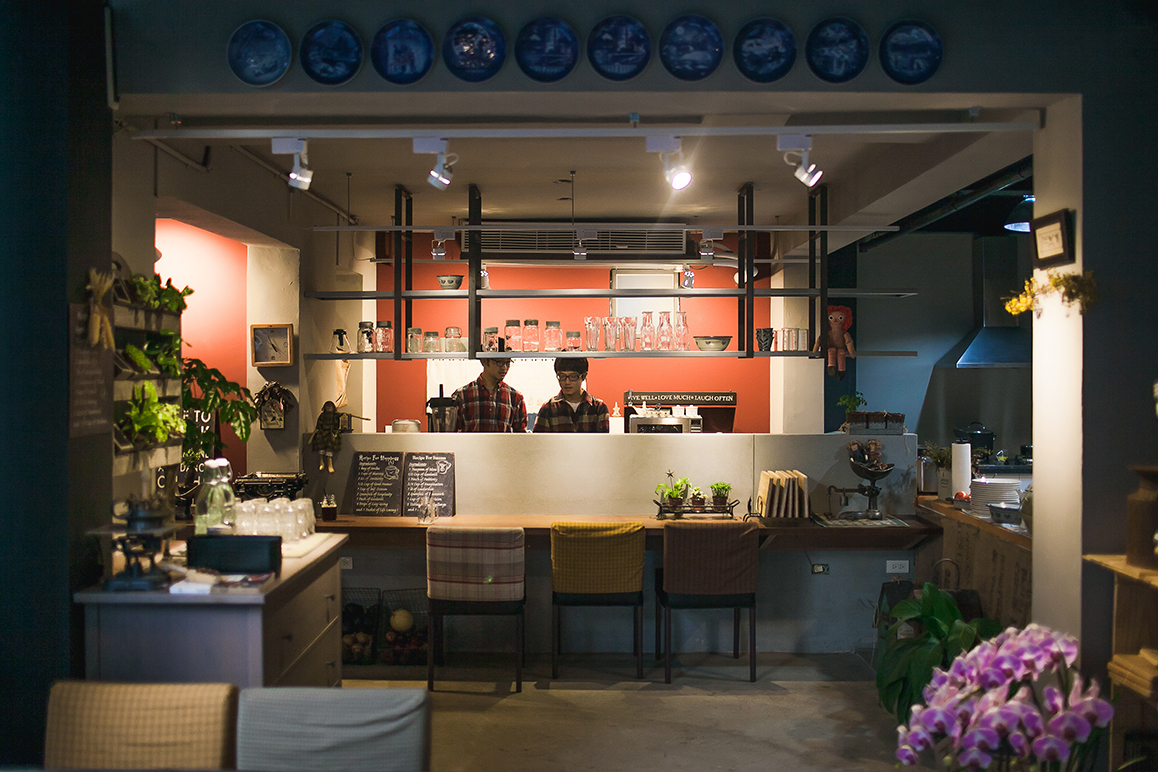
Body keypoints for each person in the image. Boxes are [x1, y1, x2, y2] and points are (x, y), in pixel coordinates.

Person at [533, 357, 610, 433]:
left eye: (573, 377)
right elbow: (539, 442)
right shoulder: (548, 408)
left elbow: (602, 442)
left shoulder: (598, 408)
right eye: (562, 376)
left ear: (583, 376)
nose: (567, 382)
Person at [453, 358, 528, 432]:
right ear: (484, 361)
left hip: (503, 444)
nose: (504, 367)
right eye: (499, 362)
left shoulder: (515, 397)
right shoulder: (462, 395)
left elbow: (521, 438)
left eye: (507, 363)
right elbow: (451, 435)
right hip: (470, 444)